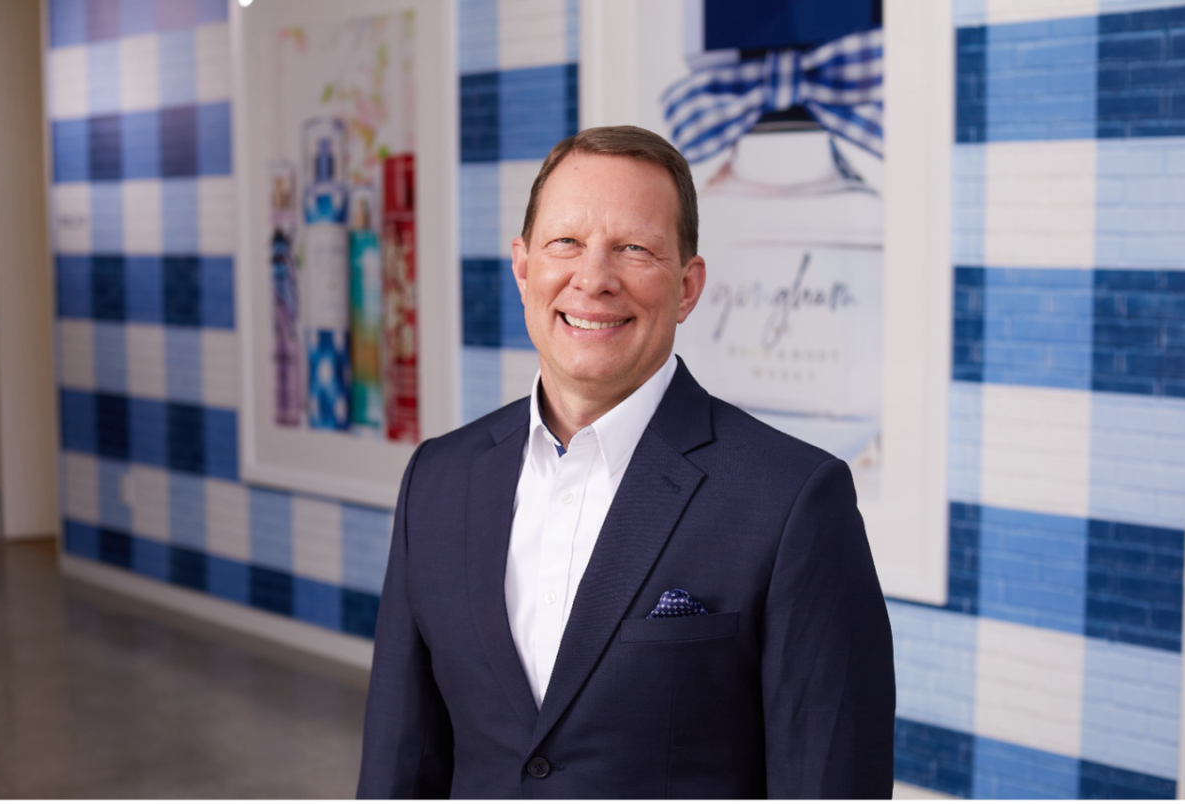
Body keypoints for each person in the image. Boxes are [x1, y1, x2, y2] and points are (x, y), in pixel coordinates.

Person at [357, 126, 895, 800]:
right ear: (523, 267)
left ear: (688, 286)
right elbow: (398, 764)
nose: (593, 279)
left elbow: (827, 778)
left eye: (634, 249)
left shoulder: (791, 501)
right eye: (566, 244)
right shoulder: (438, 479)